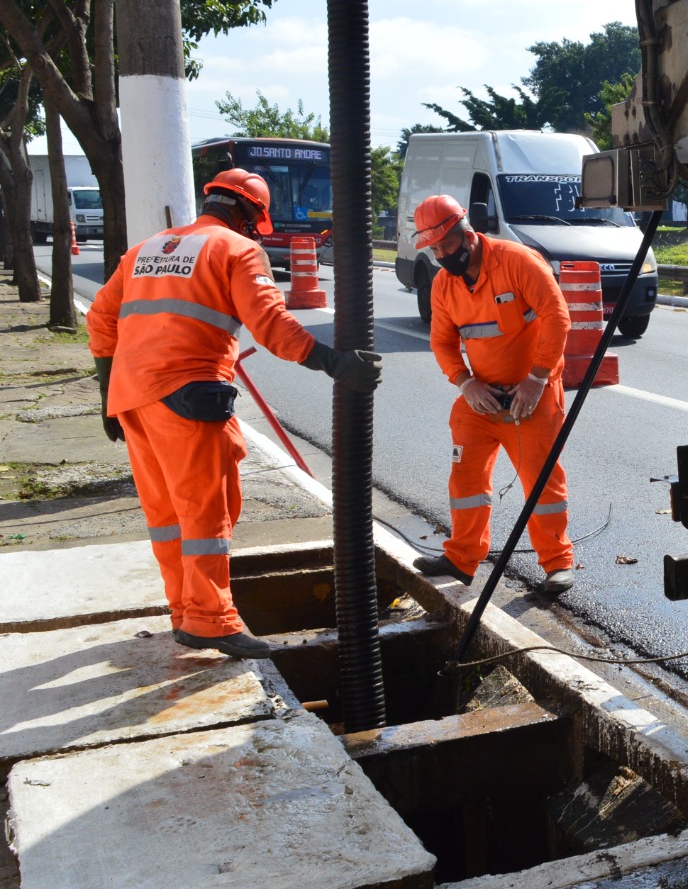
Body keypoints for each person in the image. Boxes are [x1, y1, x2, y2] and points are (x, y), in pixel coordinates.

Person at [87, 168, 382, 659]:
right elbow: (271, 325)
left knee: (166, 514)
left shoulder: (145, 250)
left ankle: (184, 610)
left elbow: (101, 319)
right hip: (187, 396)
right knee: (207, 510)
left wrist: (106, 396)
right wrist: (335, 363)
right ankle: (210, 620)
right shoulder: (237, 250)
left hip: (131, 398)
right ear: (249, 214)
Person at [411, 193, 575, 594]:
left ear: (467, 235)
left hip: (530, 396)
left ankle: (558, 563)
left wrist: (536, 380)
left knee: (541, 483)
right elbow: (442, 342)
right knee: (464, 477)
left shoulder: (517, 262)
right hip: (480, 398)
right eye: (434, 249)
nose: (441, 255)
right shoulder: (444, 286)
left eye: (447, 246)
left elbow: (557, 318)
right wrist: (465, 382)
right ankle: (461, 559)